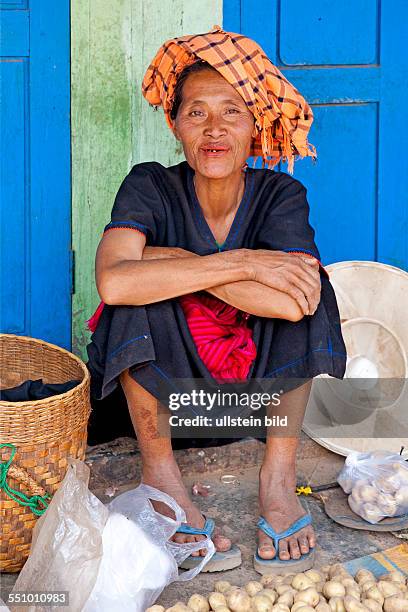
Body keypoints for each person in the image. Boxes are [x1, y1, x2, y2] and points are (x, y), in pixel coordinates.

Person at [86, 27, 347, 574]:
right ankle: (161, 478)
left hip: (252, 403)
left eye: (232, 112)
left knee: (316, 290)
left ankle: (277, 480)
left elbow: (293, 304)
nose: (214, 129)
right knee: (134, 301)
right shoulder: (150, 185)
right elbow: (113, 283)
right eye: (196, 113)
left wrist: (170, 263)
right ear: (176, 124)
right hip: (167, 402)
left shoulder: (280, 195)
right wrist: (243, 264)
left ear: (255, 124)